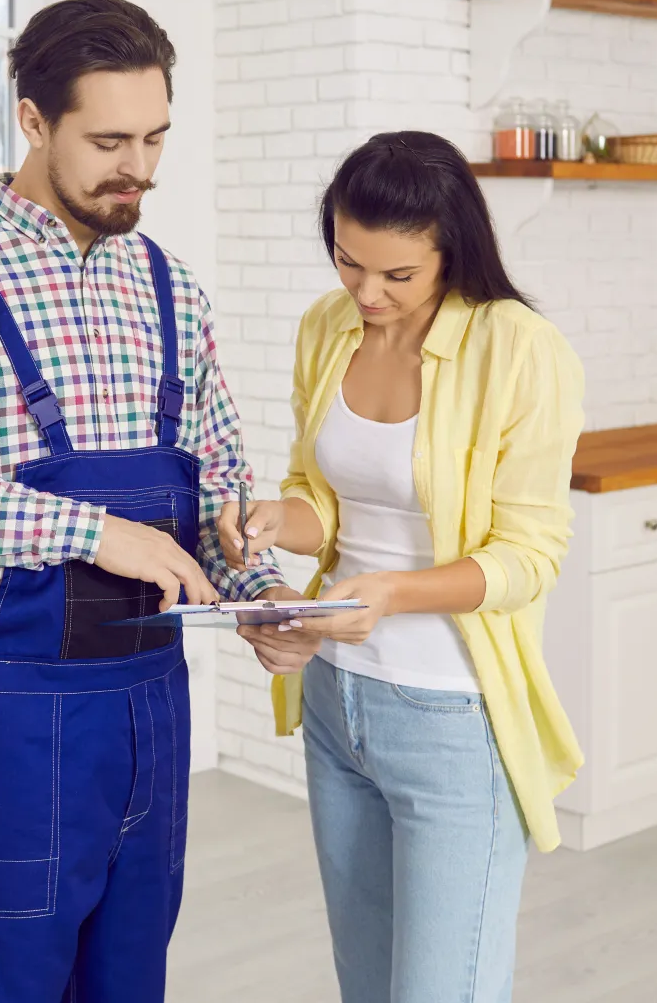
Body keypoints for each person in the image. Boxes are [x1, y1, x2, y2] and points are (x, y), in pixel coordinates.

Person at [0, 0, 302, 1003]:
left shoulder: (170, 287)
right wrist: (93, 533)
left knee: (129, 984)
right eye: (107, 140)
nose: (136, 166)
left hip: (150, 711)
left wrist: (262, 591)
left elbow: (219, 490)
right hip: (9, 722)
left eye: (154, 138)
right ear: (34, 121)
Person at [217, 131, 587, 1002]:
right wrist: (278, 522)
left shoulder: (519, 349)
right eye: (349, 263)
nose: (367, 293)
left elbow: (529, 558)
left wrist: (389, 595)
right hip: (336, 701)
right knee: (368, 986)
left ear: (449, 253)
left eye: (397, 276)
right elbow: (325, 497)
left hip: (452, 716)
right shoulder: (327, 326)